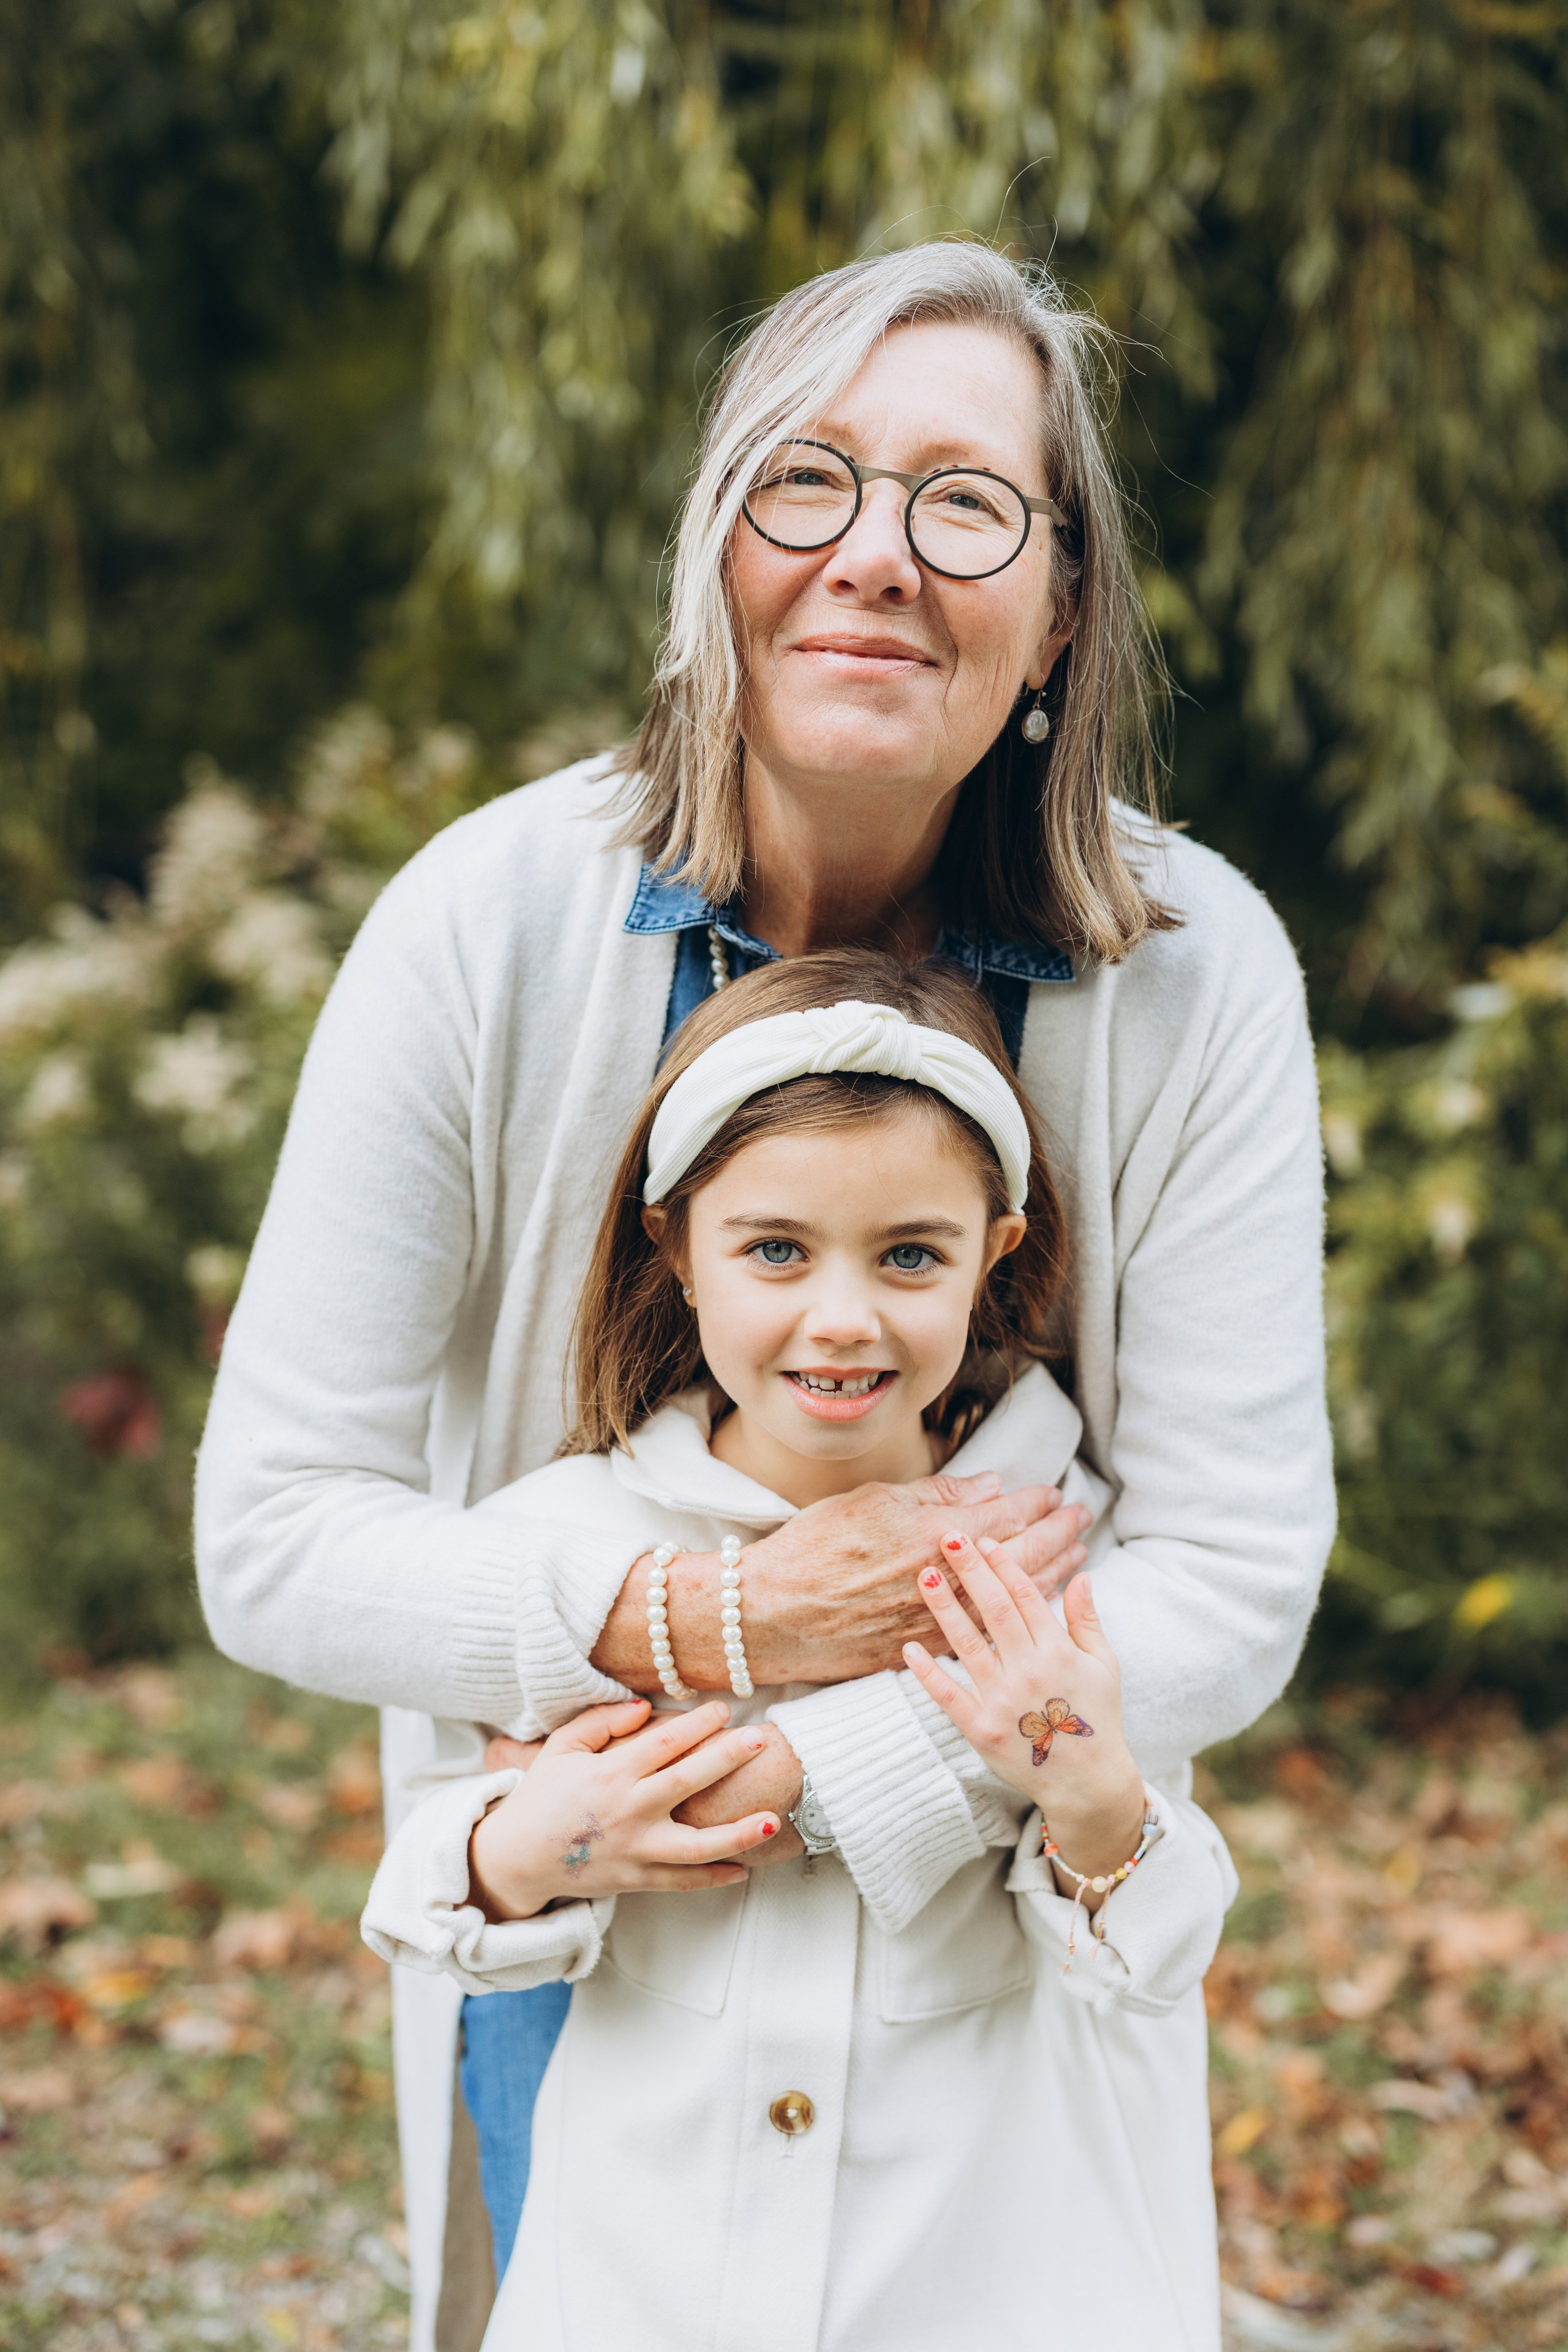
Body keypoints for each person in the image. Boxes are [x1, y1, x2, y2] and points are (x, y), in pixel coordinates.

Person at [195, 239, 1333, 2352]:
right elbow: (274, 1541)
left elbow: (1237, 1580)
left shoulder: (1201, 976)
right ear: (716, 551)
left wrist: (844, 1761)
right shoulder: (482, 927)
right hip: (605, 1929)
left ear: (1061, 601)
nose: (877, 556)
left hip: (996, 2005)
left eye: (966, 501)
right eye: (805, 483)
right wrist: (704, 1626)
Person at [362, 954, 1238, 2351]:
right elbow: (421, 1888)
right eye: (775, 1249)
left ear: (992, 1254)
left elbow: (1149, 1951)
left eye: (908, 1254)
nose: (843, 1316)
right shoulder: (579, 1543)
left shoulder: (1049, 1539)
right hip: (651, 2268)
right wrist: (527, 1848)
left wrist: (1077, 1787)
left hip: (973, 2264)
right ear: (675, 1245)